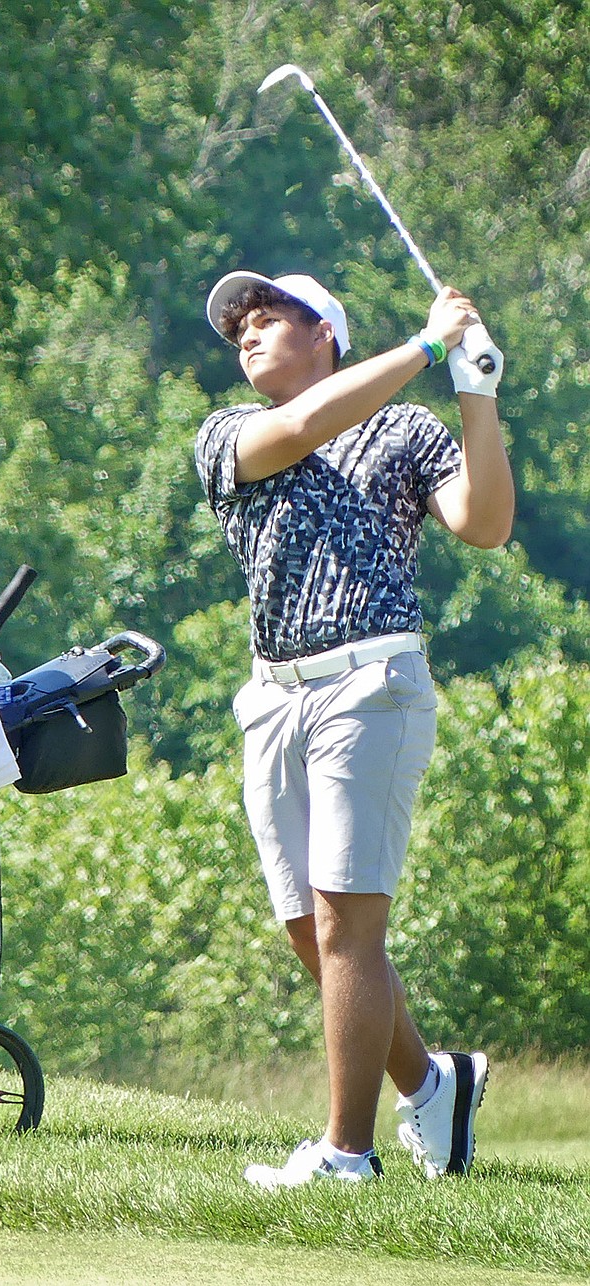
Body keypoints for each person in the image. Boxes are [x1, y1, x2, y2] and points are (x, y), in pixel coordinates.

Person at [194, 270, 515, 1189]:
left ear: (325, 331)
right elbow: (304, 430)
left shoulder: (407, 429)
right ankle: (433, 1081)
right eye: (238, 330)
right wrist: (422, 347)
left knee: (345, 922)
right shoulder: (228, 435)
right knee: (308, 927)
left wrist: (474, 391)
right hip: (273, 697)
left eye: (267, 320)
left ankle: (347, 1154)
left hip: (371, 684)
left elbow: (484, 524)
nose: (246, 338)